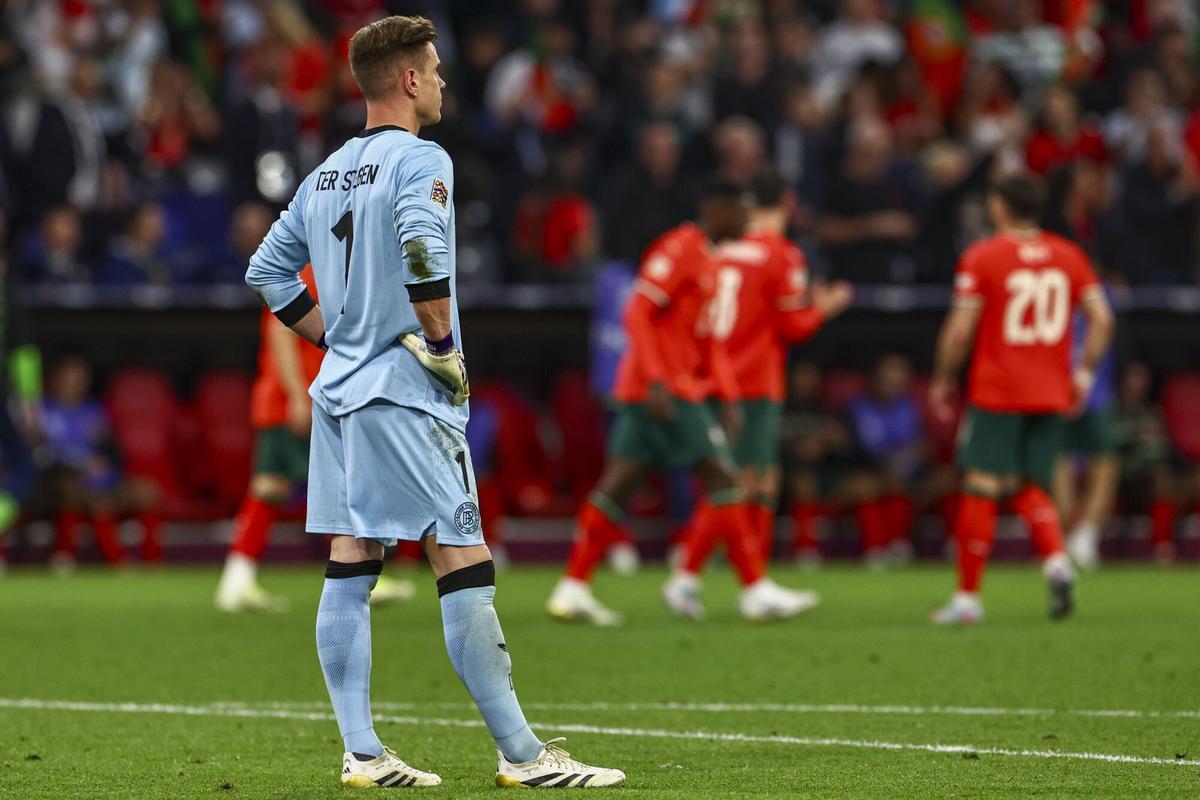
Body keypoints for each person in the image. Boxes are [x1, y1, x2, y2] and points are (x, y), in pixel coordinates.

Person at [243, 16, 623, 789]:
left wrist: (337, 338)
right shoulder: (422, 160)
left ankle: (361, 753)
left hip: (341, 396)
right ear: (409, 80)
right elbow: (422, 252)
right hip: (406, 393)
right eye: (437, 70)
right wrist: (443, 349)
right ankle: (523, 757)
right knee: (461, 555)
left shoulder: (325, 174)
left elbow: (267, 271)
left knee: (352, 559)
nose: (445, 81)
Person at [546, 180, 819, 626]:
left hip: (671, 388)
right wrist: (656, 379)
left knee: (619, 485)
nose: (747, 221)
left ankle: (572, 586)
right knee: (725, 479)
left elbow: (707, 342)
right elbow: (637, 310)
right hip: (665, 389)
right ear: (714, 208)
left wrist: (727, 393)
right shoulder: (679, 247)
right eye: (740, 211)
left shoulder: (710, 259)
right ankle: (753, 588)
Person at [661, 170, 852, 616]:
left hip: (710, 376)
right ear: (787, 203)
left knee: (745, 480)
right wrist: (823, 308)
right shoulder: (784, 255)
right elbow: (793, 327)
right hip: (755, 382)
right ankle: (706, 577)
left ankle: (730, 580)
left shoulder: (721, 248)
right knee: (747, 481)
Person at [929, 172, 1114, 625]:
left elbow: (958, 331)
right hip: (1050, 391)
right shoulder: (1068, 255)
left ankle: (967, 599)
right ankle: (1056, 562)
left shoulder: (983, 256)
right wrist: (1084, 375)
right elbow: (1102, 319)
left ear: (999, 207)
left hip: (998, 389)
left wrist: (943, 377)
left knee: (981, 484)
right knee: (1031, 484)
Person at [215, 265, 415, 612]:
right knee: (338, 482)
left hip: (281, 398)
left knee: (271, 487)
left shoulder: (312, 263)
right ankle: (362, 574)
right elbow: (282, 330)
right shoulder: (312, 266)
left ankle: (237, 579)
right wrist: (297, 395)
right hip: (295, 398)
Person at [38, 356, 163, 568]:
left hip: (103, 478)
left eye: (80, 379)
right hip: (64, 478)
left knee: (148, 492)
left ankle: (153, 563)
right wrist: (80, 464)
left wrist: (106, 458)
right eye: (70, 378)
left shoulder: (94, 410)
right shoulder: (42, 412)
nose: (76, 384)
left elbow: (113, 451)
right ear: (55, 380)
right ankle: (118, 562)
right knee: (96, 500)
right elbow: (41, 453)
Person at [1055, 293, 1119, 570]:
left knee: (1066, 460)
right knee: (1094, 461)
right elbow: (1105, 322)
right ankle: (1079, 536)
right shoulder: (1101, 293)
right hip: (1085, 392)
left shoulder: (1052, 288)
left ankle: (1079, 537)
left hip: (1068, 393)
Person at [1112, 362, 1179, 564]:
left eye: (1141, 381)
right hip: (1119, 477)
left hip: (1144, 478)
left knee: (1163, 478)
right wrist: (1133, 438)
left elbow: (1160, 450)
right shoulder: (1109, 412)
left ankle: (1163, 548)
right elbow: (1108, 446)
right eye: (1132, 380)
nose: (1136, 387)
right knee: (1107, 470)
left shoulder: (1152, 415)